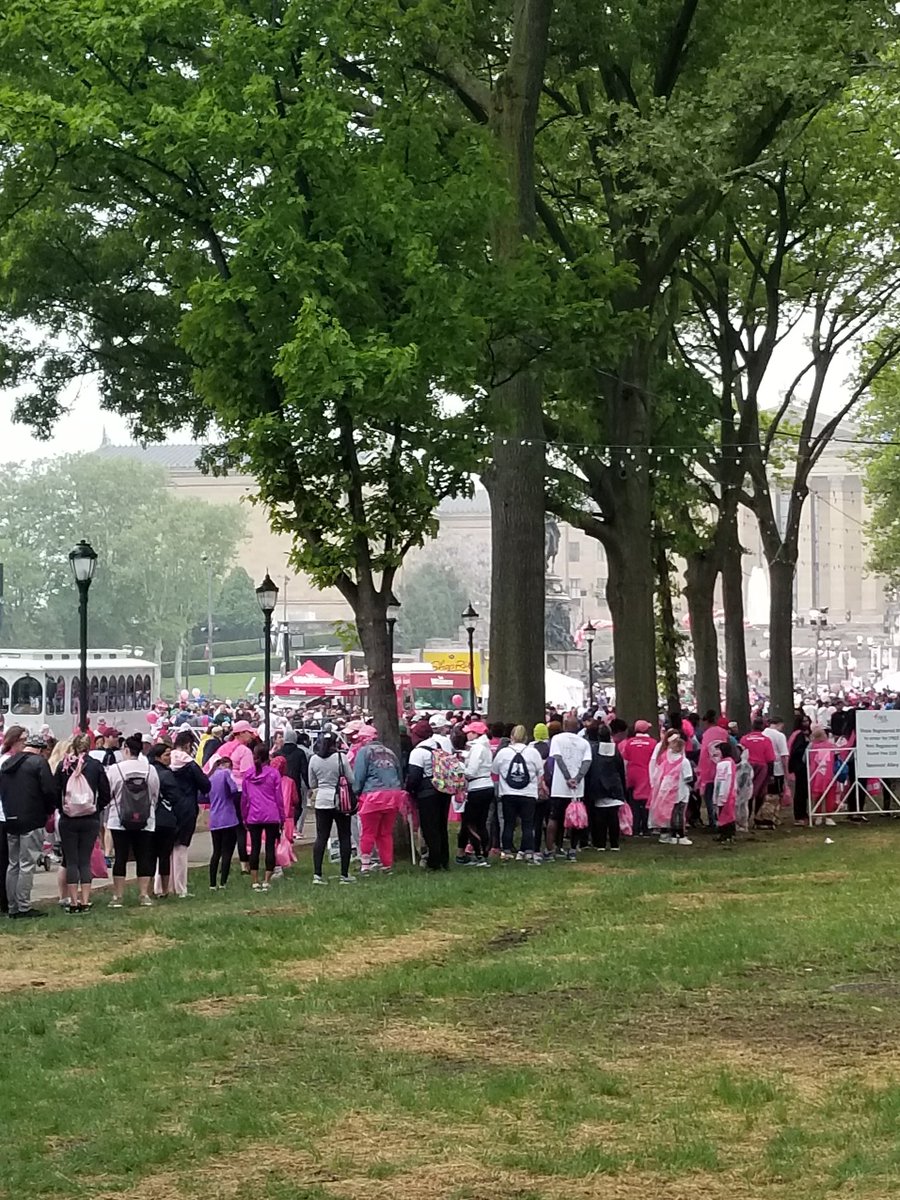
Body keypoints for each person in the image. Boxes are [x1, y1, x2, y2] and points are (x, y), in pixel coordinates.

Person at [1, 733, 57, 919]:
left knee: (13, 864)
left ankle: (12, 906)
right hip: (32, 818)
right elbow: (49, 790)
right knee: (27, 864)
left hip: (10, 818)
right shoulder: (39, 763)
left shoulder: (7, 764)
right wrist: (49, 809)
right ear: (40, 749)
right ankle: (23, 906)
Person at [54, 733, 110, 913]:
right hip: (90, 818)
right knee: (85, 860)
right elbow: (106, 793)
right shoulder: (95, 766)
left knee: (71, 860)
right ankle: (85, 900)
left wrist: (62, 808)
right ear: (90, 746)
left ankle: (73, 901)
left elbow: (54, 791)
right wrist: (96, 807)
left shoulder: (64, 765)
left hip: (68, 819)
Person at [106, 732, 160, 908]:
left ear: (126, 749)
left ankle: (118, 896)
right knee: (143, 855)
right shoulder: (150, 769)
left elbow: (108, 793)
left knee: (120, 856)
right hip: (146, 819)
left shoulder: (115, 769)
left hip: (119, 818)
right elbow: (155, 794)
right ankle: (144, 894)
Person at [352, 729, 405, 875]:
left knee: (368, 832)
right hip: (393, 795)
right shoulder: (390, 752)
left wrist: (355, 792)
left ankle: (366, 865)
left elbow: (359, 775)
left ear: (365, 739)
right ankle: (387, 865)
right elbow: (399, 774)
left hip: (373, 796)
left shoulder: (364, 752)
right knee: (385, 833)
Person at [406, 714, 454, 871]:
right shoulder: (438, 746)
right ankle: (444, 860)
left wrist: (410, 790)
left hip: (427, 792)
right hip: (443, 789)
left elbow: (414, 776)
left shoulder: (418, 752)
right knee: (441, 826)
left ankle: (434, 861)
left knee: (429, 828)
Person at [308, 731, 356, 884]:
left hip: (322, 800)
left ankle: (317, 874)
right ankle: (344, 874)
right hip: (340, 801)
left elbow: (312, 783)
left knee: (321, 837)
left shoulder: (314, 759)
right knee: (344, 836)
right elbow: (351, 778)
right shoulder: (341, 758)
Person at [493, 725, 544, 863]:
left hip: (508, 792)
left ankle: (507, 851)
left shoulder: (503, 752)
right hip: (528, 793)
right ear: (526, 737)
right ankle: (527, 851)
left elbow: (495, 770)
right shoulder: (533, 752)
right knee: (528, 823)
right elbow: (540, 772)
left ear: (512, 737)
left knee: (509, 823)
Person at [169, 729, 211, 897]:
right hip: (186, 807)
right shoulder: (190, 764)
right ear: (187, 745)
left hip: (167, 807)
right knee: (181, 848)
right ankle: (180, 887)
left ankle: (161, 885)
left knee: (165, 849)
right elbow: (205, 785)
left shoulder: (165, 759)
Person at [546, 716, 593, 861]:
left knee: (555, 818)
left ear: (564, 725)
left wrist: (567, 778)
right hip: (577, 788)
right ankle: (572, 849)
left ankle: (550, 849)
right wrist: (577, 778)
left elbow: (558, 759)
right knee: (575, 819)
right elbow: (587, 762)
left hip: (560, 786)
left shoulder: (557, 739)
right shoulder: (584, 742)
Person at [241, 745, 283, 891]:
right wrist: (282, 816)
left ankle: (254, 880)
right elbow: (279, 797)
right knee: (270, 846)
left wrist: (244, 816)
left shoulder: (248, 774)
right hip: (271, 814)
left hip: (254, 814)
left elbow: (245, 798)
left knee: (255, 847)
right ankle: (266, 880)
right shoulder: (274, 774)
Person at [584, 723, 626, 852]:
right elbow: (620, 770)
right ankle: (614, 844)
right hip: (614, 786)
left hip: (599, 787)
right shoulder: (615, 750)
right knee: (613, 817)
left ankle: (600, 843)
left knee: (600, 818)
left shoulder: (594, 751)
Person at [146, 743, 181, 897]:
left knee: (149, 856)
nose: (169, 758)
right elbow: (176, 796)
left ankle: (147, 890)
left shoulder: (147, 771)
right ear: (158, 757)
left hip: (148, 818)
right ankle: (165, 889)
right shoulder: (167, 775)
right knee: (164, 855)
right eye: (167, 755)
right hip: (166, 818)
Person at [649, 730, 694, 846]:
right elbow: (688, 777)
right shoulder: (683, 761)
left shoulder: (666, 758)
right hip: (680, 790)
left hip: (666, 789)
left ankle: (671, 835)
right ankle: (680, 835)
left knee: (670, 813)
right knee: (679, 814)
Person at [0, 725, 27, 915]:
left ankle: (7, 900)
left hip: (8, 814)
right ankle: (7, 901)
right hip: (5, 814)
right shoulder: (7, 762)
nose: (26, 744)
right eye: (24, 740)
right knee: (7, 861)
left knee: (9, 862)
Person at [459, 723, 493, 866]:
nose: (467, 734)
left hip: (477, 787)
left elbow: (471, 771)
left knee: (470, 823)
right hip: (487, 785)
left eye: (470, 732)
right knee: (482, 822)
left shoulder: (477, 748)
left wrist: (459, 766)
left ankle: (479, 854)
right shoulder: (485, 747)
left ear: (476, 733)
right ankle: (484, 853)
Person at [207, 757, 241, 889]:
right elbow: (234, 789)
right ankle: (223, 882)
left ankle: (212, 883)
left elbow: (204, 796)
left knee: (216, 852)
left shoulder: (210, 777)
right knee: (227, 852)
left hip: (214, 818)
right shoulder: (226, 773)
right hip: (228, 817)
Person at [621, 720, 655, 836]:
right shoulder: (653, 743)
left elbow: (625, 761)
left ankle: (635, 827)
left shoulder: (629, 743)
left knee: (633, 802)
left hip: (632, 774)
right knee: (646, 802)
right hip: (646, 774)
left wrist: (625, 776)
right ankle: (645, 828)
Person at [740, 719, 776, 815]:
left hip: (747, 768)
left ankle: (746, 815)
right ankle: (758, 816)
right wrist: (771, 775)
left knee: (747, 792)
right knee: (760, 792)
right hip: (761, 767)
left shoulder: (744, 739)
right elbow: (770, 759)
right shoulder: (766, 740)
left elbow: (740, 754)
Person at [270, 754, 298, 866]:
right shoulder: (290, 781)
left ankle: (275, 862)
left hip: (273, 814)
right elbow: (295, 799)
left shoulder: (269, 780)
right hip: (287, 815)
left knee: (273, 840)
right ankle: (284, 860)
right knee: (286, 840)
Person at [808, 725, 838, 826]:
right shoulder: (831, 746)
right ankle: (829, 817)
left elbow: (805, 759)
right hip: (830, 774)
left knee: (817, 796)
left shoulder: (811, 746)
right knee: (830, 795)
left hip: (816, 774)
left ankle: (818, 816)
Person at [712, 741, 739, 843]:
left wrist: (723, 795)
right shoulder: (727, 763)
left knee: (725, 813)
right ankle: (727, 834)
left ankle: (726, 835)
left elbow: (727, 779)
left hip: (725, 793)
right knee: (725, 813)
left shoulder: (725, 764)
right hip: (725, 792)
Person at [787, 713, 811, 825]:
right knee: (800, 791)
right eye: (804, 721)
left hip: (802, 766)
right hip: (800, 766)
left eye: (807, 721)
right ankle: (799, 814)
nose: (806, 723)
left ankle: (803, 812)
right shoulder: (799, 735)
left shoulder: (800, 734)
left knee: (804, 791)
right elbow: (797, 751)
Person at [763, 717, 790, 803]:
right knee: (777, 792)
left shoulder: (763, 734)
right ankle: (774, 811)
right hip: (777, 769)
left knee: (766, 792)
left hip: (765, 767)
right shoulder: (780, 736)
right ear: (779, 724)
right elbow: (783, 755)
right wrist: (786, 772)